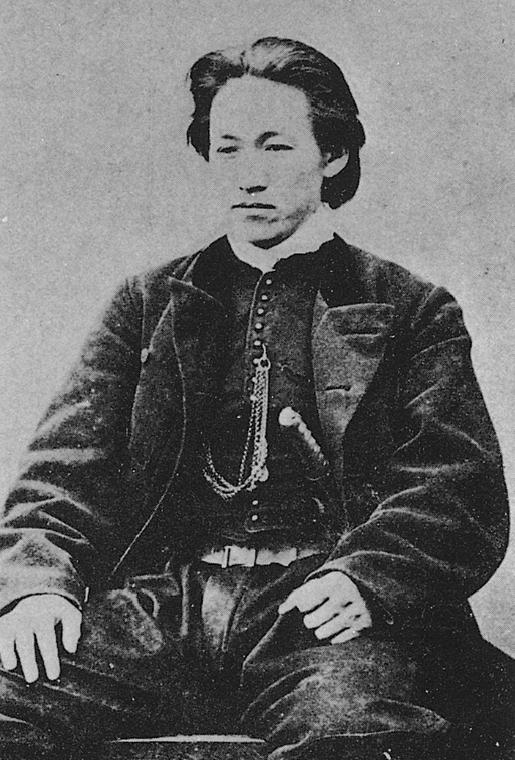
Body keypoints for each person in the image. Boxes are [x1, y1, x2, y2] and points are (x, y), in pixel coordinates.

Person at [0, 36, 511, 760]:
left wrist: (366, 578)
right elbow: (63, 473)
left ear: (332, 155)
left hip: (322, 612)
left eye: (274, 147)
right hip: (162, 608)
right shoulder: (148, 303)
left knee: (353, 734)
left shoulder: (409, 307)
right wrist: (38, 586)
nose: (248, 175)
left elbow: (455, 487)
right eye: (227, 149)